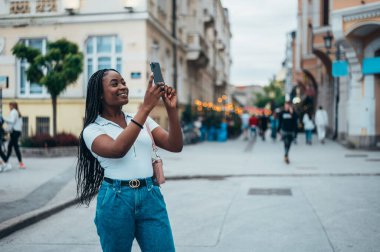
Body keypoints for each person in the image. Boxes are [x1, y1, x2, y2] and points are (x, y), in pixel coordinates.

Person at [76, 69, 182, 252]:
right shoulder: (92, 129)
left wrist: (172, 110)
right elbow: (117, 149)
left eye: (124, 82)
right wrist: (146, 107)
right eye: (115, 84)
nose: (123, 87)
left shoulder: (141, 120)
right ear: (100, 94)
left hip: (150, 196)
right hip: (116, 199)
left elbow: (175, 145)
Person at [3, 101, 25, 169]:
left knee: (12, 147)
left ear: (13, 106)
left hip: (15, 132)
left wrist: (3, 118)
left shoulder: (14, 111)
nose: (9, 107)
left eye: (10, 105)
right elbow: (14, 123)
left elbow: (11, 121)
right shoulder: (17, 112)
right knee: (14, 147)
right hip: (17, 131)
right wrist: (7, 129)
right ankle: (20, 163)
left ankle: (6, 161)